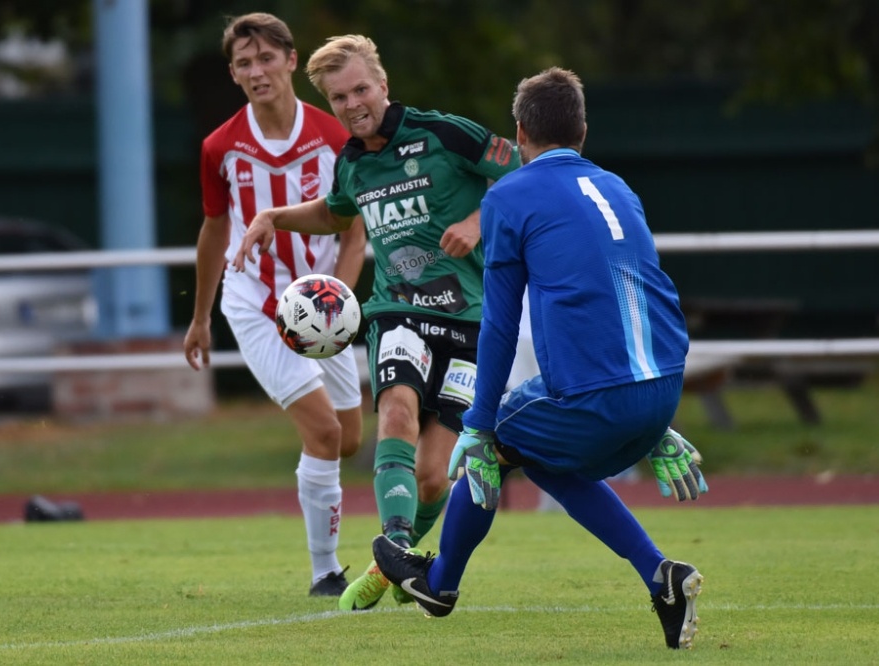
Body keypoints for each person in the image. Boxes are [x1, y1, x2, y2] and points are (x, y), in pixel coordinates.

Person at [371, 67, 709, 650]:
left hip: (597, 395)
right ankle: (660, 577)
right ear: (583, 131)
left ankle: (439, 584)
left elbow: (500, 323)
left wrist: (478, 424)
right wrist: (657, 420)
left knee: (496, 444)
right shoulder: (617, 187)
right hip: (663, 383)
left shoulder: (508, 195)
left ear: (520, 133)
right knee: (546, 458)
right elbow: (647, 292)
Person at [231, 34, 521, 611]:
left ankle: (388, 568)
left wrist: (477, 222)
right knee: (396, 412)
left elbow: (524, 169)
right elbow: (334, 213)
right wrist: (274, 216)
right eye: (338, 98)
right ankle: (394, 543)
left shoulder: (444, 133)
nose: (352, 104)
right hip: (397, 312)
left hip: (469, 320)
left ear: (383, 85)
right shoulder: (352, 163)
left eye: (360, 89)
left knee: (434, 477)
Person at [183, 13, 367, 598]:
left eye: (266, 58)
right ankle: (325, 572)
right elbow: (215, 229)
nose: (257, 70)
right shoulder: (220, 147)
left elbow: (354, 233)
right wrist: (200, 317)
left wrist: (336, 301)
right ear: (233, 74)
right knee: (324, 433)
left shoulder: (335, 137)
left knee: (348, 438)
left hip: (322, 308)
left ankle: (320, 500)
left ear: (291, 60)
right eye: (244, 63)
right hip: (255, 304)